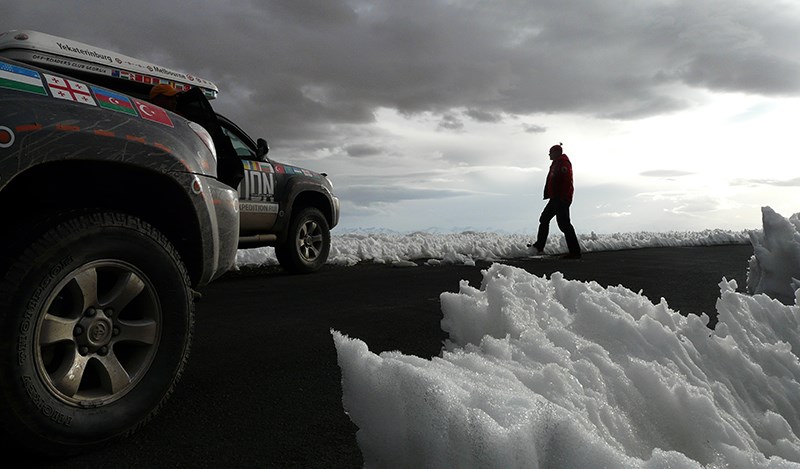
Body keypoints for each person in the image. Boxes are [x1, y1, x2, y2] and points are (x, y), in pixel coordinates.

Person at [529, 143, 582, 259]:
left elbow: (566, 181)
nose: (549, 154)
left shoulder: (563, 163)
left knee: (564, 224)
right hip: (555, 198)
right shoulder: (556, 163)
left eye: (550, 152)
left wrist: (563, 198)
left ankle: (575, 251)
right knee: (544, 219)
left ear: (556, 153)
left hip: (561, 199)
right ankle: (539, 246)